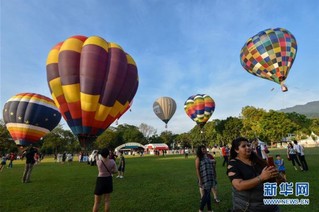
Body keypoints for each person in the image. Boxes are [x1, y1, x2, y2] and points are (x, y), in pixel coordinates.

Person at [227, 137, 280, 212]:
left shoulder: (258, 161)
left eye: (248, 145)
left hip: (270, 206)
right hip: (247, 208)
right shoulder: (233, 164)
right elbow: (238, 185)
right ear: (236, 150)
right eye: (243, 146)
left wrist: (277, 176)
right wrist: (261, 177)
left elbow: (277, 183)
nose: (247, 147)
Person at [195, 145, 215, 212]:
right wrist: (200, 179)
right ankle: (200, 209)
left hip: (210, 177)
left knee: (208, 193)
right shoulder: (198, 158)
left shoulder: (207, 157)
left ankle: (209, 209)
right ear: (200, 150)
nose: (204, 150)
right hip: (204, 178)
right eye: (203, 149)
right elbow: (197, 169)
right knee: (206, 193)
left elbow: (212, 164)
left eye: (205, 149)